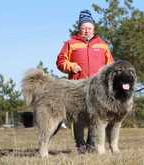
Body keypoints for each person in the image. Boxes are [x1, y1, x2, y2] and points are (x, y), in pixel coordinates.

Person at [56, 9, 114, 153]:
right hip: (77, 87)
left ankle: (92, 144)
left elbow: (111, 65)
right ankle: (80, 145)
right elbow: (60, 61)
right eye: (83, 28)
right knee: (79, 118)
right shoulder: (70, 43)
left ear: (93, 28)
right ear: (79, 29)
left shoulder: (103, 45)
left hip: (98, 88)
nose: (86, 31)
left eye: (89, 28)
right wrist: (71, 66)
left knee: (97, 117)